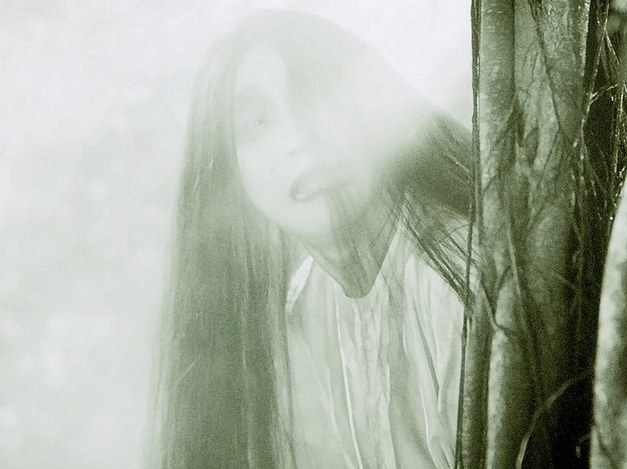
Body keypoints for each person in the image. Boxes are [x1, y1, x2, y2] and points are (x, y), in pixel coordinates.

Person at [152, 10, 475, 469]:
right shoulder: (310, 298)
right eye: (256, 123)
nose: (300, 138)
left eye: (315, 98)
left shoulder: (455, 276)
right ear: (231, 176)